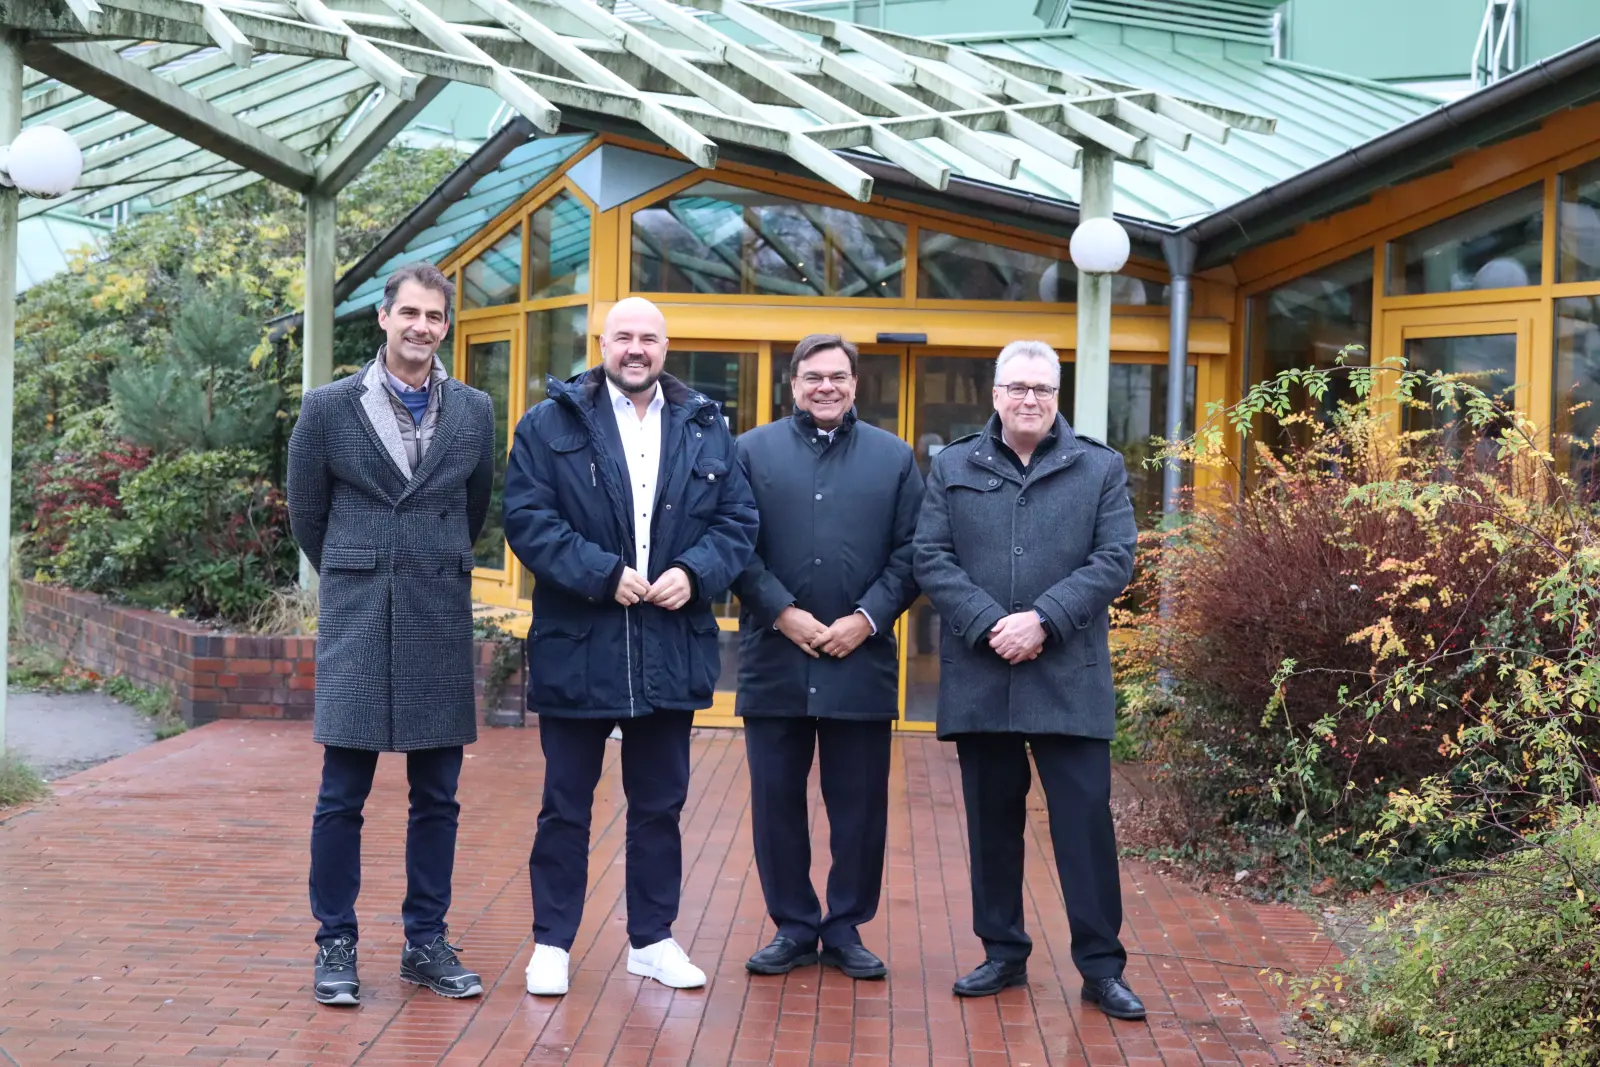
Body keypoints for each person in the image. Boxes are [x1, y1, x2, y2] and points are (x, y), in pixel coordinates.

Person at [503, 296, 759, 996]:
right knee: (565, 805)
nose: (635, 348)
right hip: (579, 645)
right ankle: (551, 942)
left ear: (666, 347)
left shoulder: (706, 428)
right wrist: (603, 573)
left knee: (659, 806)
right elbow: (526, 519)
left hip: (669, 645)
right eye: (624, 337)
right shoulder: (548, 423)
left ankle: (652, 938)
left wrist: (694, 573)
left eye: (648, 337)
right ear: (603, 343)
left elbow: (739, 520)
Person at [912, 340, 1145, 1020]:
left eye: (1042, 388)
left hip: (1068, 675)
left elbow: (1114, 558)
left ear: (1057, 394)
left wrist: (1043, 618)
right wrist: (991, 623)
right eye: (1017, 387)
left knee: (1084, 827)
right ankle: (1003, 952)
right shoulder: (954, 463)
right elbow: (931, 555)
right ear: (994, 393)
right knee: (991, 823)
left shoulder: (1098, 466)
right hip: (984, 676)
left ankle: (1101, 968)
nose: (1030, 399)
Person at [288, 262, 496, 1006]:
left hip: (438, 613)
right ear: (383, 317)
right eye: (409, 313)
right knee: (342, 793)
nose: (421, 327)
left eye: (435, 317)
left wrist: (425, 564)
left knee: (437, 793)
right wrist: (363, 566)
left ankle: (425, 941)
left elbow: (475, 510)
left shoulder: (474, 409)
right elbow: (307, 514)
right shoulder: (327, 407)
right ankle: (334, 942)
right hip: (359, 613)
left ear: (446, 326)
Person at [732, 334, 923, 980]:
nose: (826, 387)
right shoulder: (750, 453)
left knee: (860, 806)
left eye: (837, 376)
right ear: (793, 383)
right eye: (813, 376)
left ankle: (844, 926)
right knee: (775, 801)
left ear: (855, 383)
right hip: (774, 659)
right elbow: (734, 545)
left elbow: (913, 554)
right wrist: (781, 611)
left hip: (859, 663)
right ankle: (792, 924)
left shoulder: (895, 459)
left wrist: (866, 619)